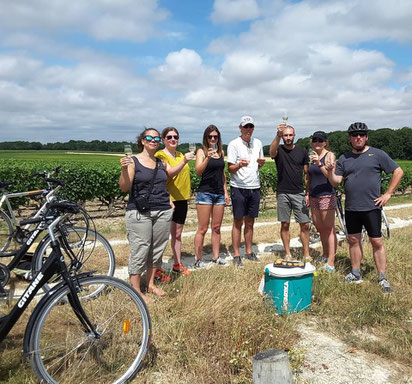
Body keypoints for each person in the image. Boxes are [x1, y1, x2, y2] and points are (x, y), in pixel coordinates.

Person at [325, 122, 404, 292]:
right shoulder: (344, 158)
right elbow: (336, 182)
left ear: (366, 137)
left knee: (376, 241)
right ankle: (355, 273)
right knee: (353, 240)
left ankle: (382, 277)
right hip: (352, 207)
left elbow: (398, 171)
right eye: (355, 135)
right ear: (350, 139)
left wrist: (388, 193)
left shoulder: (377, 154)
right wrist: (330, 171)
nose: (358, 137)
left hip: (372, 206)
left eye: (361, 134)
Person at [119, 128, 185, 303]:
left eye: (156, 138)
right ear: (142, 141)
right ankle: (135, 289)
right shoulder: (133, 161)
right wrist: (124, 170)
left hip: (162, 210)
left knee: (157, 249)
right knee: (141, 248)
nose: (153, 140)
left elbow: (165, 181)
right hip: (140, 212)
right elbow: (125, 187)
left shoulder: (160, 162)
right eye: (149, 137)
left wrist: (169, 199)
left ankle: (150, 284)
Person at [155, 127, 195, 276]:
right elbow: (167, 174)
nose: (173, 139)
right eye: (169, 137)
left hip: (182, 199)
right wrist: (185, 161)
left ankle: (177, 264)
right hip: (166, 199)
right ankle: (157, 268)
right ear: (164, 139)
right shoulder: (160, 155)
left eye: (176, 137)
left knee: (177, 235)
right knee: (161, 236)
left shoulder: (179, 154)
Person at [227, 116, 265, 267]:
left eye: (251, 126)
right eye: (246, 126)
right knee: (238, 221)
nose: (248, 129)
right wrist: (239, 165)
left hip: (254, 186)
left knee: (250, 222)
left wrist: (261, 164)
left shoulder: (258, 143)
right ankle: (236, 255)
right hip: (239, 187)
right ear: (240, 128)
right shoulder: (233, 144)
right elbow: (230, 169)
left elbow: (258, 165)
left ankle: (249, 252)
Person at [269, 123, 310, 260]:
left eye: (290, 135)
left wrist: (308, 192)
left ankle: (306, 254)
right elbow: (271, 152)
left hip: (299, 192)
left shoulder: (302, 152)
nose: (288, 137)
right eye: (285, 135)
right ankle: (288, 253)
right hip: (283, 192)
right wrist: (277, 135)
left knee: (305, 224)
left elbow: (306, 174)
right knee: (285, 223)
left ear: (294, 136)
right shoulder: (279, 150)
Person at [193, 125, 230, 268]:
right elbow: (198, 171)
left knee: (216, 228)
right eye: (210, 137)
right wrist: (207, 157)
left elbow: (223, 174)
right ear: (206, 138)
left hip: (219, 194)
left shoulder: (221, 152)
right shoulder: (201, 151)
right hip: (205, 193)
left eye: (215, 136)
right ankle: (198, 260)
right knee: (202, 228)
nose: (213, 139)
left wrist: (226, 192)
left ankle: (216, 257)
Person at [307, 131, 337, 272]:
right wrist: (307, 193)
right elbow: (310, 177)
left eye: (320, 140)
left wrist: (319, 163)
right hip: (314, 196)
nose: (317, 143)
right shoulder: (312, 156)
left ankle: (331, 261)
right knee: (320, 227)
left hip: (326, 195)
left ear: (325, 142)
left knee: (329, 228)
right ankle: (325, 254)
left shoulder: (329, 156)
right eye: (315, 140)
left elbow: (331, 176)